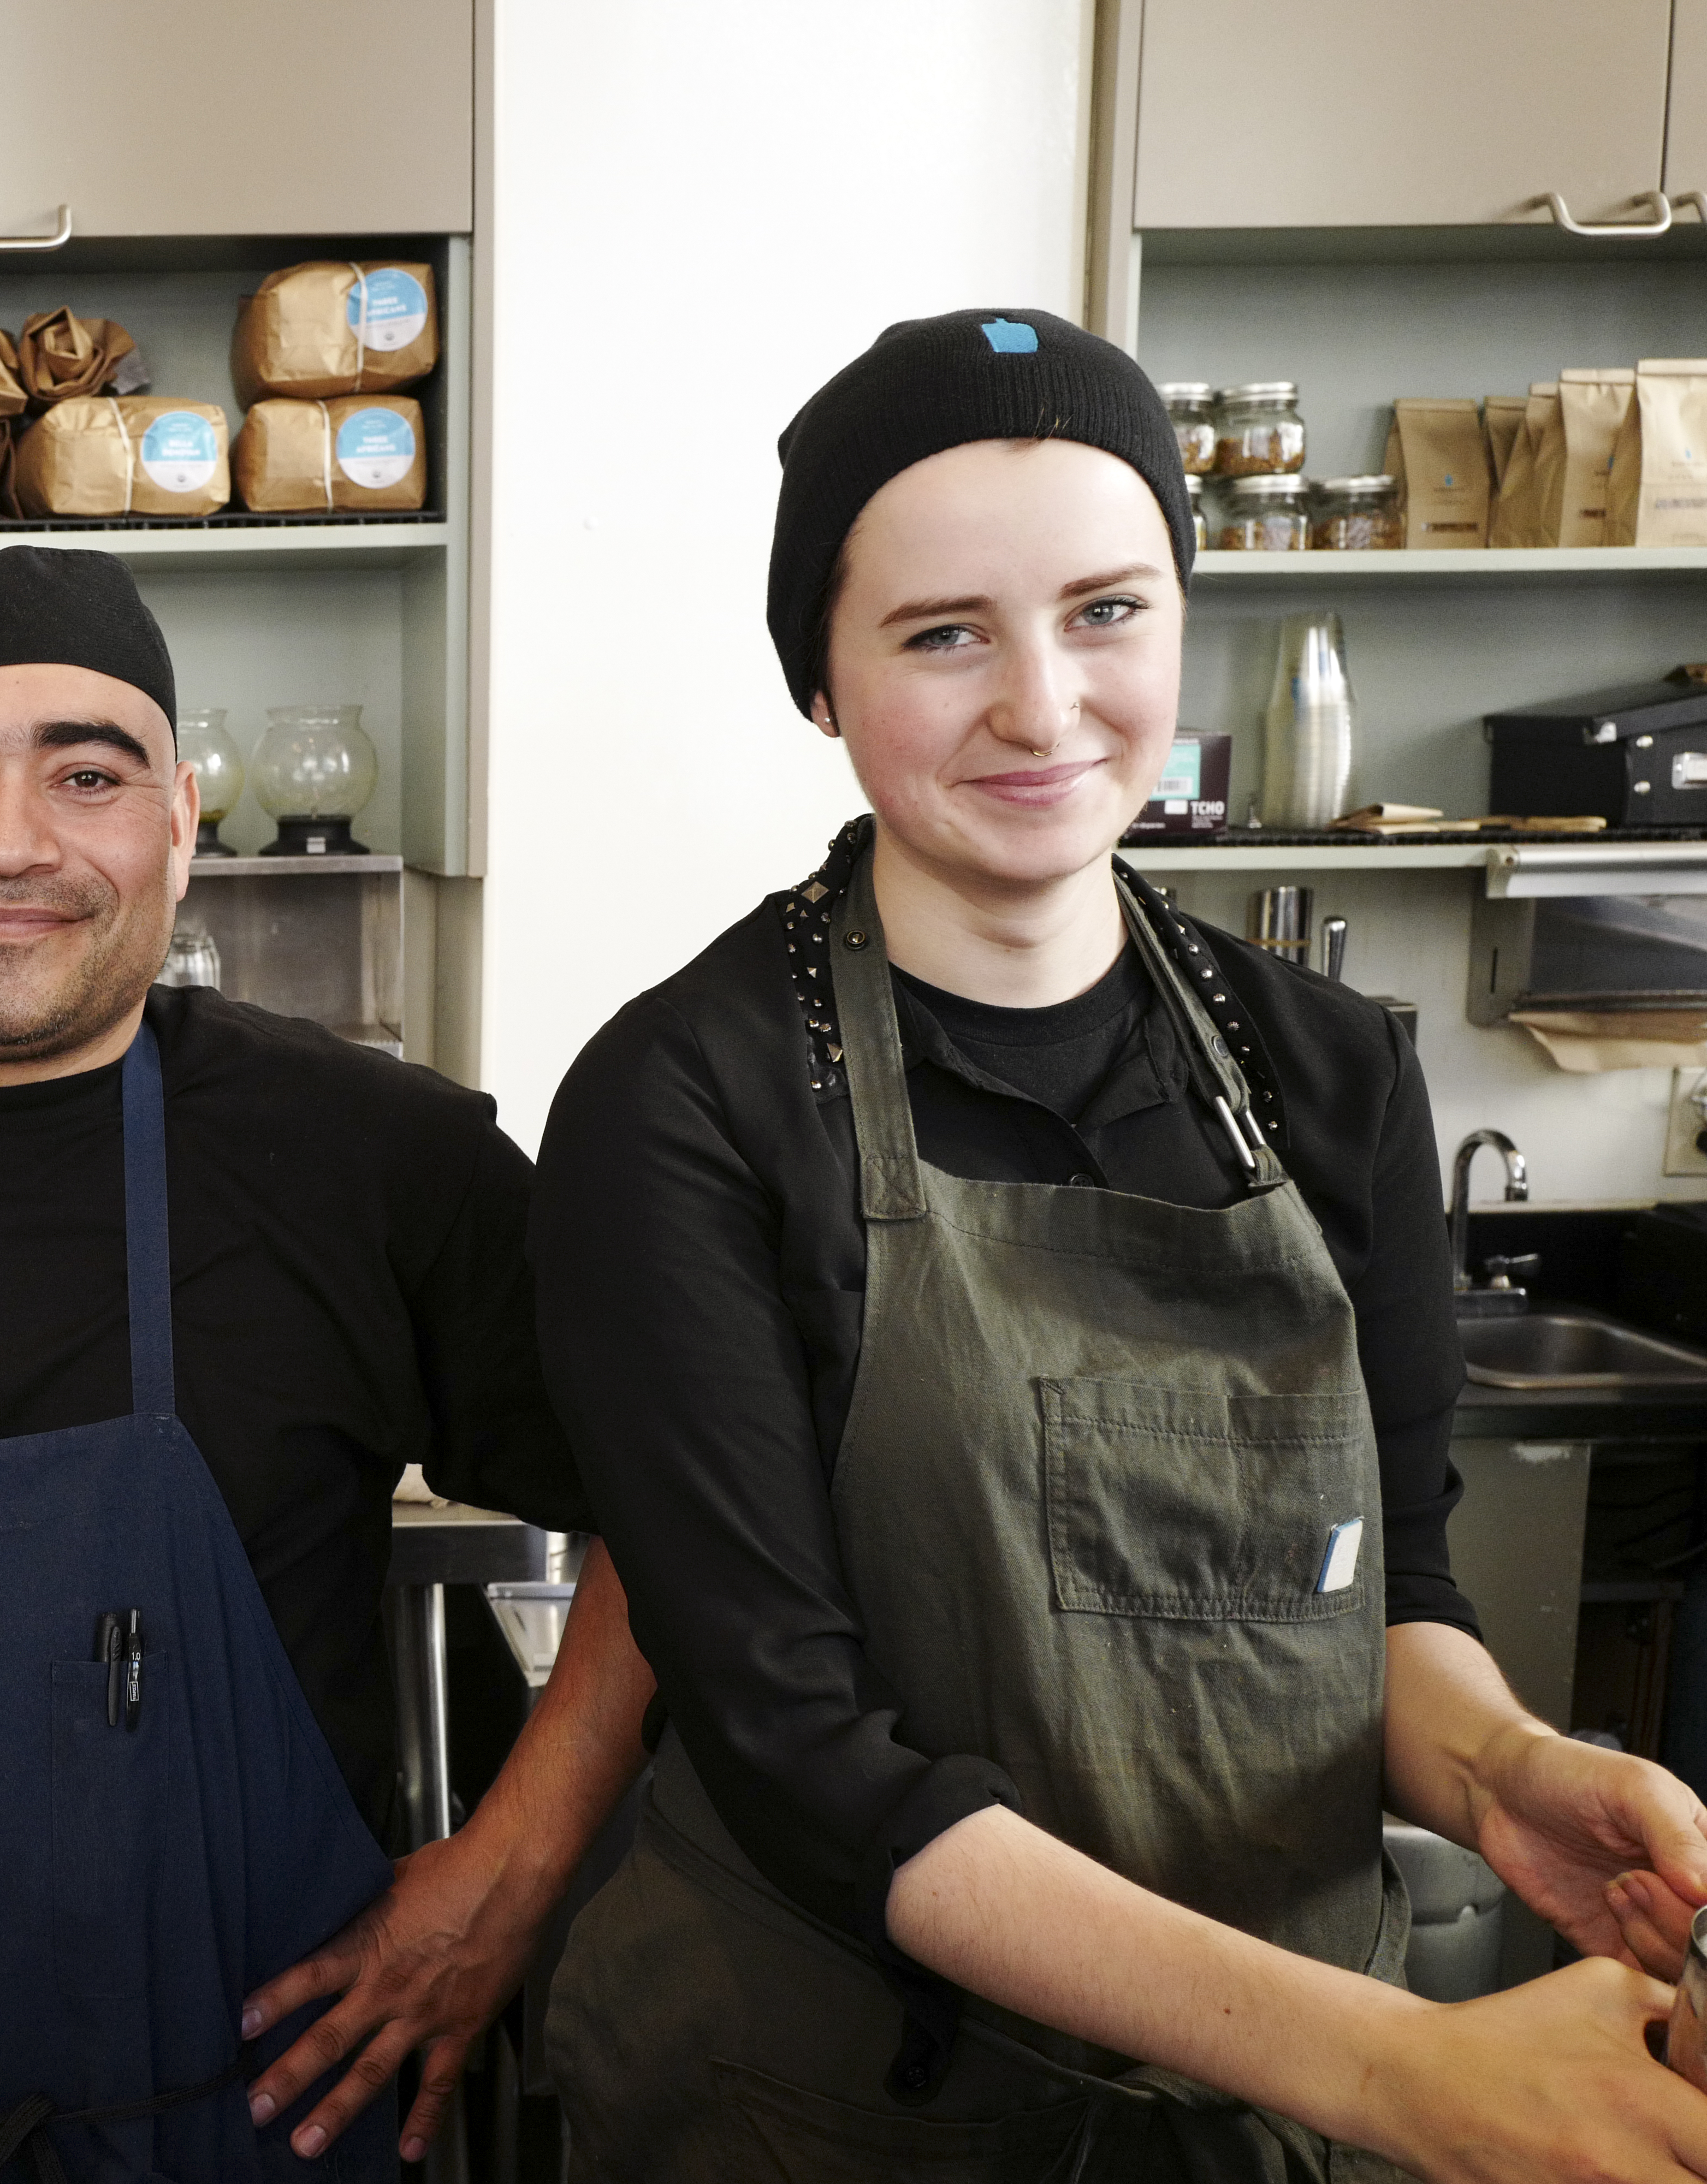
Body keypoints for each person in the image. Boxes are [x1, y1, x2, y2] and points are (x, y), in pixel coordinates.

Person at [533, 309, 1707, 2180]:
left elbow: (1392, 1590)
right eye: (942, 635)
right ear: (820, 682)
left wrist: (1507, 1777)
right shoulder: (690, 1102)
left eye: (1106, 611)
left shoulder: (1329, 1073)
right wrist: (1401, 2072)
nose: (1043, 704)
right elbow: (802, 1751)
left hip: (1270, 2116)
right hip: (833, 2114)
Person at [0, 545, 655, 2180]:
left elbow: (692, 1511)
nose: (7, 842)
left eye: (88, 772)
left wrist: (508, 1875)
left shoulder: (376, 1161)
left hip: (266, 2132)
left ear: (179, 820)